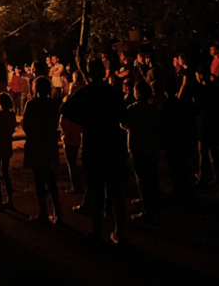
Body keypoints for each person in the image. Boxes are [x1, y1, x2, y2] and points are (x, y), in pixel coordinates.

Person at [61, 59, 129, 244]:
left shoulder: (86, 93)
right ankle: (119, 232)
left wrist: (84, 120)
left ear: (90, 74)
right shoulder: (113, 93)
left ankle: (97, 232)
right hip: (113, 144)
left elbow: (65, 108)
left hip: (94, 144)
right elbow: (124, 116)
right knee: (116, 190)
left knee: (97, 188)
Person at [22, 76, 63, 223]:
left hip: (36, 144)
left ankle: (44, 213)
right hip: (49, 143)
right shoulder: (53, 105)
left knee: (39, 179)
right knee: (51, 179)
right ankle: (57, 213)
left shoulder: (31, 104)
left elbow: (26, 125)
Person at [124, 81, 161, 223]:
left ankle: (147, 211)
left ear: (138, 93)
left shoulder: (132, 109)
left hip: (138, 148)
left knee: (142, 180)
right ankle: (155, 204)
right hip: (151, 147)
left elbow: (123, 124)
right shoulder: (153, 109)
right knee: (152, 177)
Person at [159, 78, 198, 204]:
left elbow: (162, 125)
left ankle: (178, 192)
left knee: (175, 168)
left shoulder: (165, 106)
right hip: (181, 139)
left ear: (165, 91)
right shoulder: (181, 104)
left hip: (172, 141)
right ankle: (188, 191)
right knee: (183, 166)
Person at [194, 67, 219, 188]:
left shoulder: (201, 90)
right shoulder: (214, 88)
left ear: (201, 76)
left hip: (205, 123)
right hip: (213, 122)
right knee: (213, 151)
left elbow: (198, 107)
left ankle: (203, 178)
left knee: (203, 152)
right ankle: (217, 176)